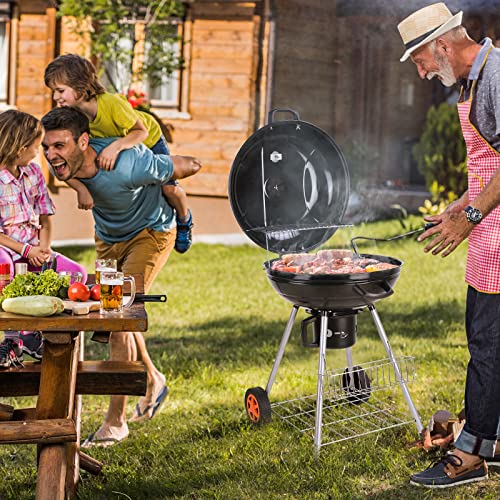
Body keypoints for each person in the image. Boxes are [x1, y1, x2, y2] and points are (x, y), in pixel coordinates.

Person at [40, 106, 201, 446]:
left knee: (116, 314)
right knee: (113, 311)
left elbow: (191, 165)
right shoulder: (65, 164)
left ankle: (116, 422)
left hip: (150, 234)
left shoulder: (127, 163)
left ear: (84, 141)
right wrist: (78, 186)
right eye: (47, 147)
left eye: (59, 146)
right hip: (109, 240)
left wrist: (173, 188)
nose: (52, 155)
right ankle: (154, 378)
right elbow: (63, 171)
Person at [398, 2, 500, 488]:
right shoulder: (472, 82)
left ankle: (473, 454)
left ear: (441, 45)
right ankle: (495, 440)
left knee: (486, 343)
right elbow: (489, 166)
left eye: (419, 60)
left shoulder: (497, 76)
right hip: (488, 229)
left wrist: (472, 217)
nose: (420, 73)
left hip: (497, 235)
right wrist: (461, 206)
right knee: (492, 342)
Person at [44, 54, 194, 254]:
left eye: (60, 90)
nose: (56, 97)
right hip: (122, 154)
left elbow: (141, 132)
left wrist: (115, 147)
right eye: (54, 91)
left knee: (168, 189)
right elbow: (67, 165)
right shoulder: (75, 116)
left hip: (147, 140)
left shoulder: (111, 103)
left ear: (80, 86)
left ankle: (184, 220)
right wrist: (81, 189)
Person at [0, 109, 88, 368]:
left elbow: (45, 217)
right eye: (37, 147)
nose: (41, 153)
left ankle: (45, 333)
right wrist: (25, 251)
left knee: (76, 275)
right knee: (6, 269)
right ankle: (17, 337)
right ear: (19, 148)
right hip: (6, 248)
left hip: (33, 248)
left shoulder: (34, 173)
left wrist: (44, 248)